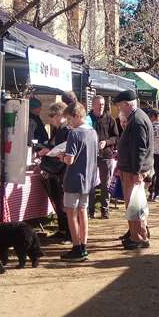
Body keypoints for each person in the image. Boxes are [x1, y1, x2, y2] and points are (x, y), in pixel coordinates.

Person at [114, 90, 154, 250]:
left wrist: (137, 172)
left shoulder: (137, 120)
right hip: (132, 169)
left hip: (133, 171)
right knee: (136, 205)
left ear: (126, 104)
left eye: (119, 105)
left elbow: (139, 149)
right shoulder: (138, 117)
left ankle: (138, 237)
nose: (118, 109)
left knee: (135, 206)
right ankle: (135, 232)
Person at [59, 102, 98, 261]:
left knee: (71, 213)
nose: (69, 122)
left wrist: (61, 156)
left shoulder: (74, 134)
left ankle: (76, 247)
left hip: (74, 179)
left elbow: (69, 160)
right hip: (88, 179)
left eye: (69, 118)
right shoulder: (93, 133)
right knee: (83, 212)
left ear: (76, 116)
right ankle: (84, 245)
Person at [39, 101, 70, 241]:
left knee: (63, 204)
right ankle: (63, 230)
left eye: (51, 115)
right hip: (59, 172)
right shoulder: (60, 130)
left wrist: (48, 152)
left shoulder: (66, 130)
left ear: (59, 115)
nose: (50, 119)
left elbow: (63, 151)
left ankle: (68, 233)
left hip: (62, 172)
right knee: (59, 203)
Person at [88, 95, 120, 219]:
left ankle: (104, 210)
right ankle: (90, 211)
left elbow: (116, 137)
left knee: (105, 184)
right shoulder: (88, 119)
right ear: (93, 105)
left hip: (106, 155)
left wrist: (106, 142)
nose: (101, 106)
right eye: (99, 104)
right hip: (91, 156)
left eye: (103, 104)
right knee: (90, 184)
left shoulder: (110, 119)